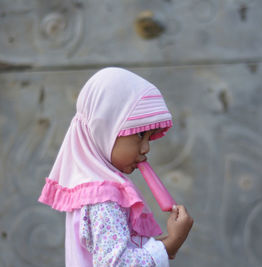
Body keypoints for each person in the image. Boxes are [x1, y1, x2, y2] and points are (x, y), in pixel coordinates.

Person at [38, 67, 193, 266]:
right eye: (139, 135)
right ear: (104, 129)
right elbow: (117, 263)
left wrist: (166, 246)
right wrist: (172, 243)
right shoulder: (104, 197)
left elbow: (113, 253)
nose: (146, 148)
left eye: (148, 138)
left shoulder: (90, 190)